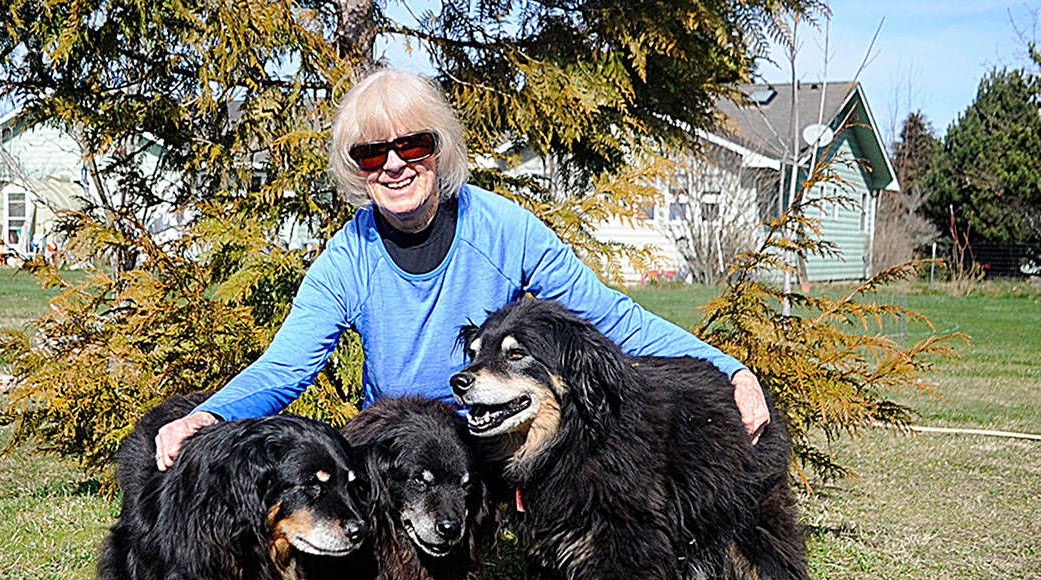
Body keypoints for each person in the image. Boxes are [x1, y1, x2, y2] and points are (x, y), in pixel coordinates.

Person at [155, 67, 769, 471]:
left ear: (439, 149)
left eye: (411, 146)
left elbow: (609, 319)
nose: (393, 165)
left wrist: (730, 369)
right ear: (356, 168)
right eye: (372, 152)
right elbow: (288, 365)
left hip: (487, 440)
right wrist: (210, 414)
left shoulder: (504, 230)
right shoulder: (348, 258)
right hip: (395, 450)